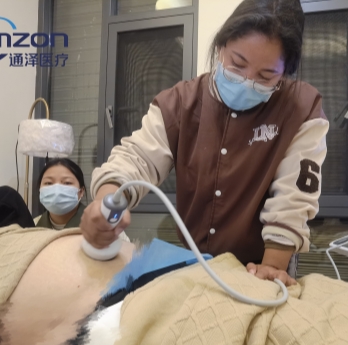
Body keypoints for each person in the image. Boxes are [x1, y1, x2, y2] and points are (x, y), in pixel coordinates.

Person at [81, 0, 329, 287]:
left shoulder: (301, 108)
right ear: (221, 46)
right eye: (238, 64)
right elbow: (137, 158)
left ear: (285, 74)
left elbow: (293, 199)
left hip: (262, 263)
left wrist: (271, 269)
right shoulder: (179, 103)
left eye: (265, 76)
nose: (247, 82)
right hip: (194, 262)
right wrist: (107, 202)